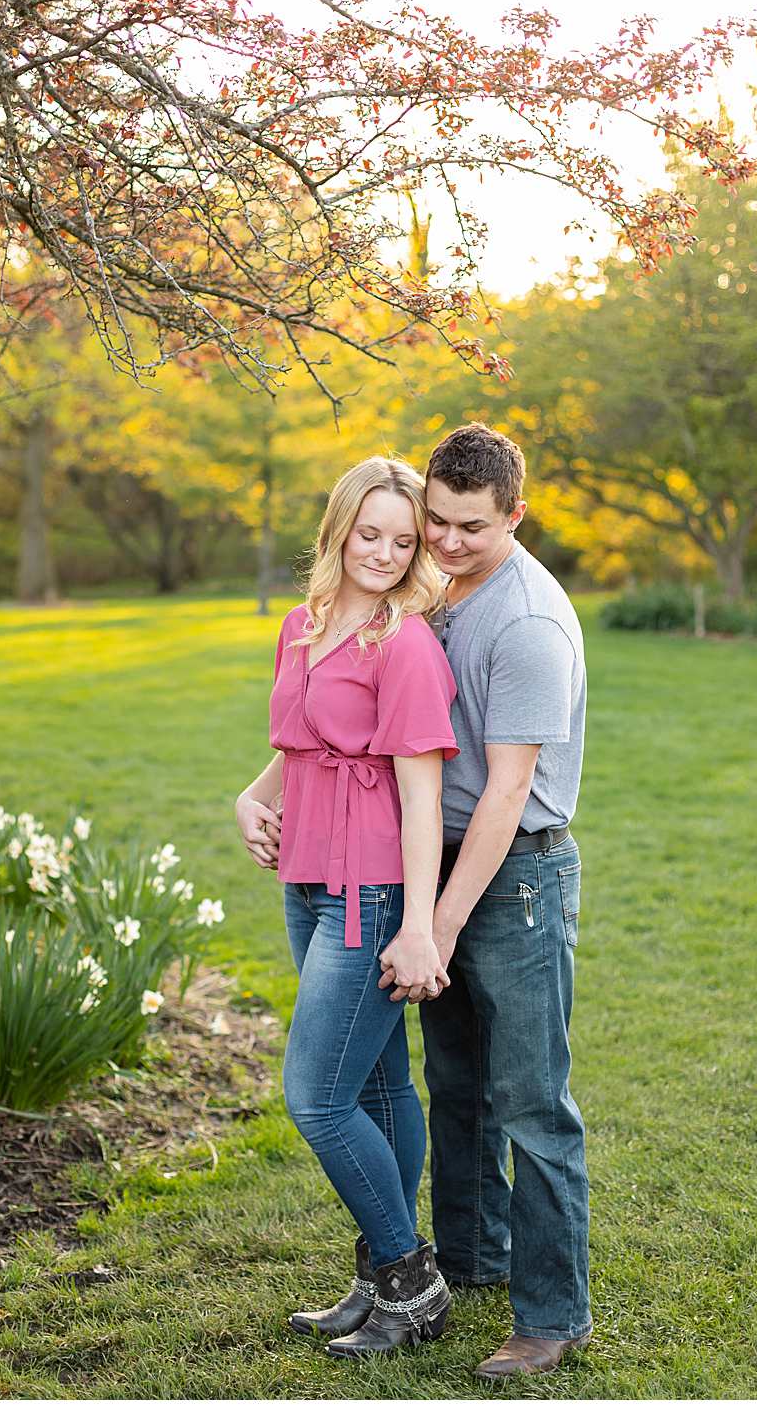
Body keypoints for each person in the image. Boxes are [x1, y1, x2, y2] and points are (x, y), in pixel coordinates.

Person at [233, 456, 460, 1358]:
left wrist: (417, 919)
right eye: (371, 533)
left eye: (403, 541)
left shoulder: (404, 642)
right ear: (338, 530)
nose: (385, 551)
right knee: (377, 1082)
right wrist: (248, 800)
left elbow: (420, 792)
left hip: (370, 890)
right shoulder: (303, 623)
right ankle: (378, 1283)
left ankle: (412, 1278)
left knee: (317, 1096)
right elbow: (296, 742)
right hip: (305, 874)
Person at [408, 423, 592, 1380]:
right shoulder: (447, 591)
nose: (443, 541)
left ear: (516, 515)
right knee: (459, 1090)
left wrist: (438, 926)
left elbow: (509, 790)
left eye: (469, 527)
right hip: (447, 862)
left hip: (515, 877)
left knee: (530, 1105)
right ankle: (474, 1260)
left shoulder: (524, 621)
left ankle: (552, 1317)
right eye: (434, 519)